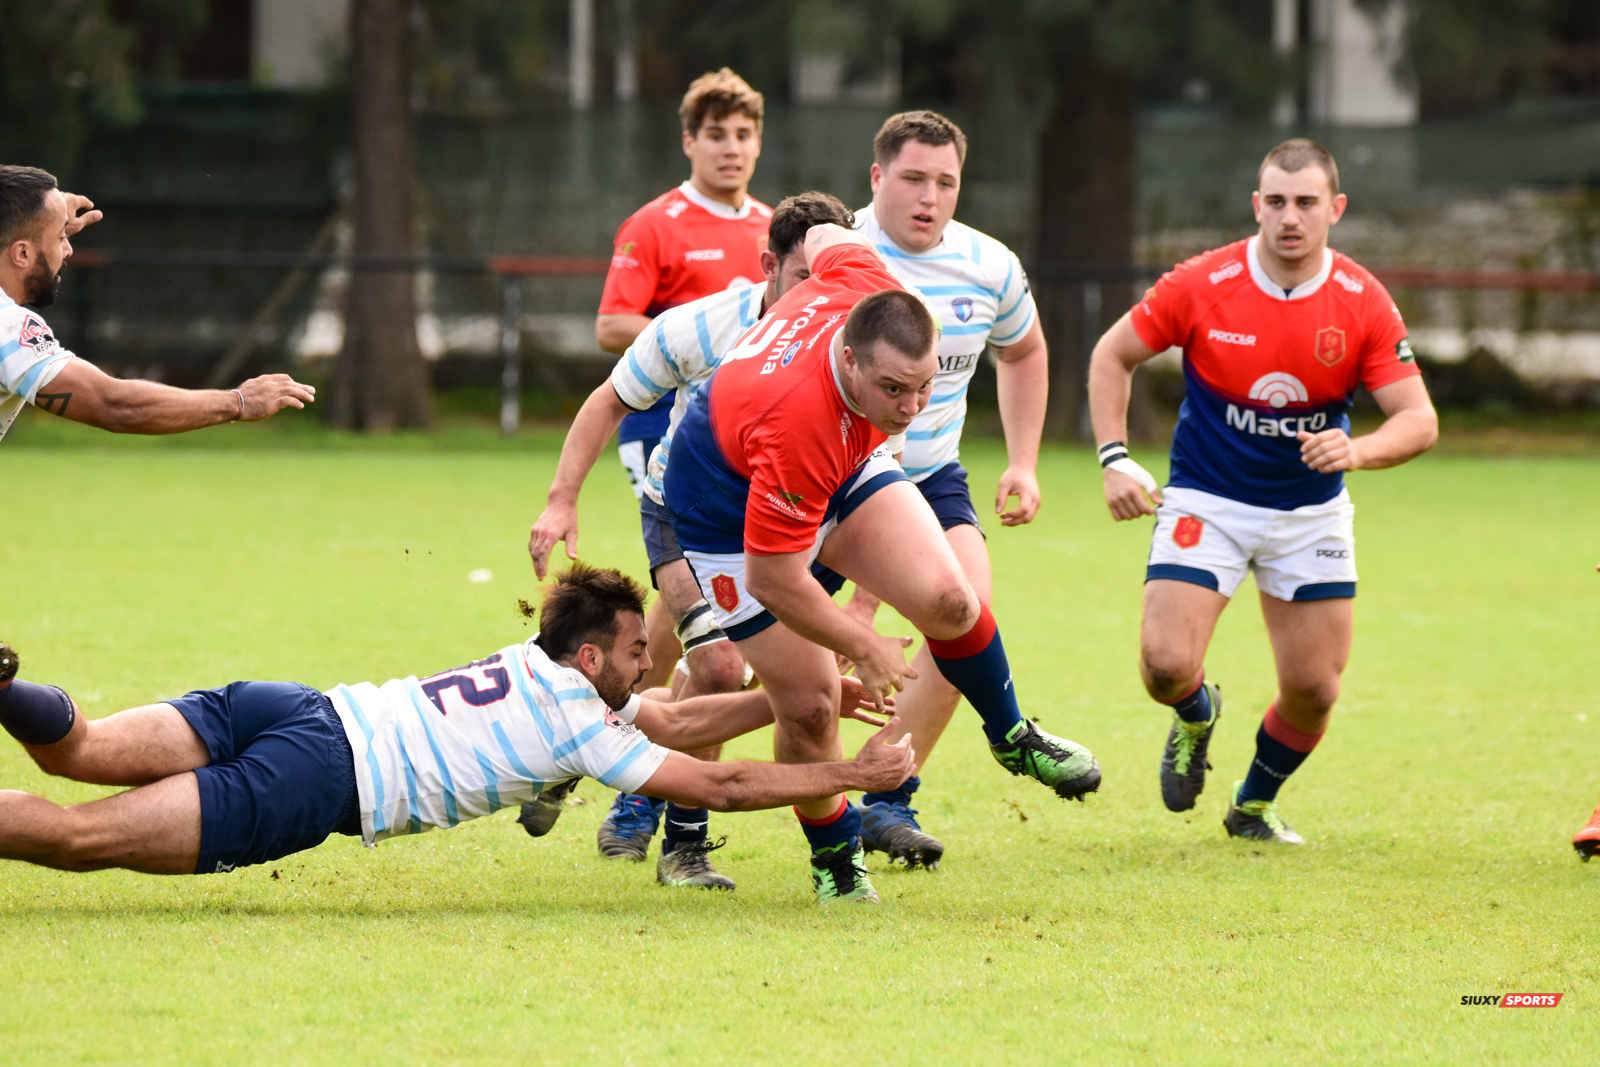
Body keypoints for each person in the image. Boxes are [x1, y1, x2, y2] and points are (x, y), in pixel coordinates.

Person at [664, 223, 1100, 904]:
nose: (912, 408)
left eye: (925, 387)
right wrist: (861, 642)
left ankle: (1011, 732)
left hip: (836, 458)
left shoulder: (866, 278)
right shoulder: (798, 420)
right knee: (810, 706)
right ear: (848, 358)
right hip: (722, 505)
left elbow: (819, 231)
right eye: (894, 389)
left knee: (952, 601)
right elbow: (774, 576)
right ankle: (836, 855)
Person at [0, 565, 913, 879]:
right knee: (80, 841)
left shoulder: (541, 665)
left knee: (78, 746)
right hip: (317, 780)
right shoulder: (579, 727)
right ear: (594, 656)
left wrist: (806, 696)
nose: (650, 663)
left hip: (296, 705)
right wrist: (852, 775)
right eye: (639, 648)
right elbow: (716, 778)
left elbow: (672, 719)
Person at [1086, 139, 1438, 844]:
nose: (1290, 217)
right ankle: (1196, 712)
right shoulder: (1203, 282)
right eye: (1275, 201)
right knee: (1164, 667)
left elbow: (1419, 420)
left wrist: (1358, 449)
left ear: (1334, 209)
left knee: (1314, 690)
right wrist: (1115, 457)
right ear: (1256, 205)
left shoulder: (1361, 300)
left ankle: (1252, 803)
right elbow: (1111, 354)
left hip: (1310, 513)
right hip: (1207, 500)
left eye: (1306, 202)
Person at [528, 193, 854, 885]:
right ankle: (685, 846)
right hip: (684, 513)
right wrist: (560, 500)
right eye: (803, 279)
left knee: (682, 669)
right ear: (768, 265)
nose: (819, 298)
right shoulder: (701, 326)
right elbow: (609, 399)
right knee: (716, 668)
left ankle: (574, 746)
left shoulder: (849, 338)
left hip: (792, 525)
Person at [836, 111, 1050, 870]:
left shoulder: (988, 264)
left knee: (965, 618)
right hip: (823, 478)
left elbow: (1024, 351)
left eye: (946, 182)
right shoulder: (836, 254)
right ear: (876, 179)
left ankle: (888, 797)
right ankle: (650, 785)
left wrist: (1021, 461)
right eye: (913, 179)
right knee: (733, 645)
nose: (930, 197)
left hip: (927, 477)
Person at [0, 165, 314, 443]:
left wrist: (42, 216)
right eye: (60, 238)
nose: (68, 250)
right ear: (23, 254)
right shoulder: (7, 326)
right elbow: (114, 405)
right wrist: (239, 402)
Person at [595, 67, 770, 542]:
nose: (730, 148)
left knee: (741, 569)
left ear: (758, 142)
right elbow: (611, 326)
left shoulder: (774, 228)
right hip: (659, 422)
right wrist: (702, 341)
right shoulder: (653, 225)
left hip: (746, 427)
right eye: (716, 135)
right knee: (688, 566)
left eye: (742, 134)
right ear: (689, 142)